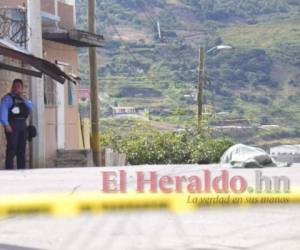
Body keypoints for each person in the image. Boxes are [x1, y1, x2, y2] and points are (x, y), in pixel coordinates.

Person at [0, 79, 32, 170]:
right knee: (12, 148)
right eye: (15, 86)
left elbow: (30, 106)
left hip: (22, 124)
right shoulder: (8, 98)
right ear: (12, 87)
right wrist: (6, 125)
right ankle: (9, 169)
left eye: (19, 86)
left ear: (22, 88)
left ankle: (21, 169)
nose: (17, 88)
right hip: (12, 124)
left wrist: (22, 97)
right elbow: (3, 112)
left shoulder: (24, 98)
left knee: (22, 149)